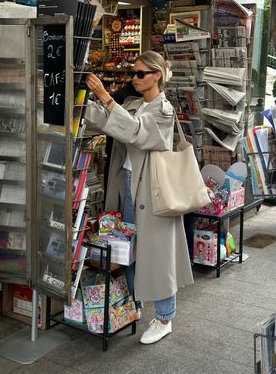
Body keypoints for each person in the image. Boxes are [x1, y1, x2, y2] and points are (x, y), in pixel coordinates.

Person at [85, 50, 194, 345]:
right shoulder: (138, 104)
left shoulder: (163, 110)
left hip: (155, 190)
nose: (134, 78)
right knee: (129, 248)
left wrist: (106, 98)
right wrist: (84, 103)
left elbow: (136, 134)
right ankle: (136, 303)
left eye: (140, 73)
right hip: (132, 184)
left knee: (157, 253)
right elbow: (114, 127)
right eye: (134, 73)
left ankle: (164, 317)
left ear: (157, 75)